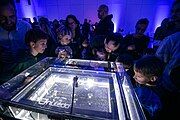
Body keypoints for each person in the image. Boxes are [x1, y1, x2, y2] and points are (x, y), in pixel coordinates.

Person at [0, 0, 31, 84]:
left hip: (24, 72)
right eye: (3, 18)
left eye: (12, 17)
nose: (8, 21)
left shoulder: (26, 27)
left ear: (16, 13)